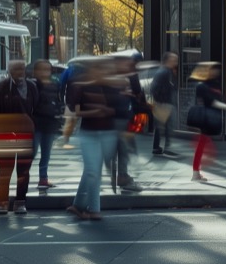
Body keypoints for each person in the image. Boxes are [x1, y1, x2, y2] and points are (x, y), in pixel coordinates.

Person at [66, 58, 118, 220]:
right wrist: (95, 112)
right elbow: (74, 110)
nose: (102, 72)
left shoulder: (109, 86)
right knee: (94, 170)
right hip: (89, 132)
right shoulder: (79, 85)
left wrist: (109, 110)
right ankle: (94, 209)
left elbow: (119, 107)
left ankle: (77, 204)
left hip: (107, 132)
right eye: (99, 69)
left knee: (91, 169)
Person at [0, 59, 38, 215]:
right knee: (5, 170)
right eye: (16, 69)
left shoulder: (32, 87)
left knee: (23, 170)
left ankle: (20, 202)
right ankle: (2, 203)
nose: (20, 72)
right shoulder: (0, 89)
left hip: (25, 135)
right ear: (10, 71)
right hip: (6, 135)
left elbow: (36, 108)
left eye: (22, 69)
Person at [187, 62, 226, 181]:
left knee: (203, 144)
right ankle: (195, 173)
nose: (216, 72)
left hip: (210, 118)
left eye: (216, 69)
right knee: (202, 145)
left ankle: (196, 173)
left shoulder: (214, 84)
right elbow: (212, 102)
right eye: (212, 69)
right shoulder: (202, 86)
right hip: (205, 119)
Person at [105, 54, 147, 193]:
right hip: (115, 118)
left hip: (124, 117)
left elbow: (137, 93)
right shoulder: (111, 78)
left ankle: (120, 175)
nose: (126, 65)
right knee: (120, 148)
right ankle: (121, 176)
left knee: (122, 149)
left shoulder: (127, 76)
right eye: (123, 63)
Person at [32, 59, 63, 190]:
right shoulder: (32, 85)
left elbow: (59, 102)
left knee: (46, 154)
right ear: (35, 72)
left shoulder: (55, 85)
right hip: (35, 123)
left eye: (47, 69)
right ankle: (23, 175)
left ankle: (43, 178)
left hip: (49, 124)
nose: (45, 72)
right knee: (31, 152)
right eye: (41, 69)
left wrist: (59, 119)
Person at [150, 52, 180, 158]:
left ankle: (157, 147)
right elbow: (154, 88)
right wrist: (162, 101)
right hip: (164, 103)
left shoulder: (165, 71)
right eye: (174, 59)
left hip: (163, 102)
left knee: (162, 127)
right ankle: (167, 148)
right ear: (168, 60)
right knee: (168, 126)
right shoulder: (164, 72)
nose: (176, 62)